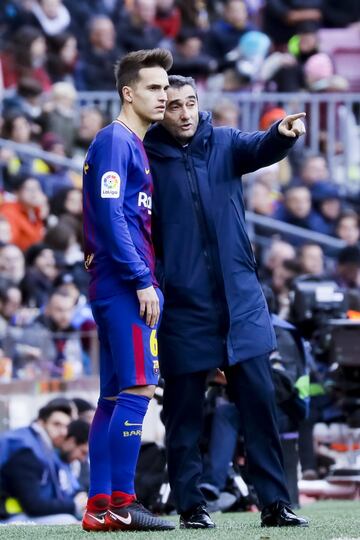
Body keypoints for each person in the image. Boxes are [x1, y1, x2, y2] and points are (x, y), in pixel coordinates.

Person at [144, 75, 309, 528]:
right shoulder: (146, 157)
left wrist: (281, 135)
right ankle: (191, 505)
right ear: (161, 109)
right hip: (183, 306)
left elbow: (260, 147)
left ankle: (275, 503)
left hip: (241, 302)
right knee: (183, 416)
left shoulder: (225, 142)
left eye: (191, 103)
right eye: (174, 105)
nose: (184, 113)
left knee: (259, 407)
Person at [81, 49, 175, 532]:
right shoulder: (116, 141)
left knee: (114, 397)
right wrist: (142, 278)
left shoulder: (130, 144)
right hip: (123, 282)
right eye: (155, 88)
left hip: (114, 280)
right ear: (128, 92)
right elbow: (110, 214)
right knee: (139, 387)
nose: (163, 96)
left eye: (166, 87)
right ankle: (122, 500)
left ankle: (100, 506)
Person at [0, 399, 85, 524]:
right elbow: (33, 505)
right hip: (8, 518)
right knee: (68, 521)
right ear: (41, 422)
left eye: (66, 426)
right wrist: (74, 505)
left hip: (19, 514)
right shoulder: (26, 449)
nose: (62, 432)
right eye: (56, 424)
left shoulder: (43, 447)